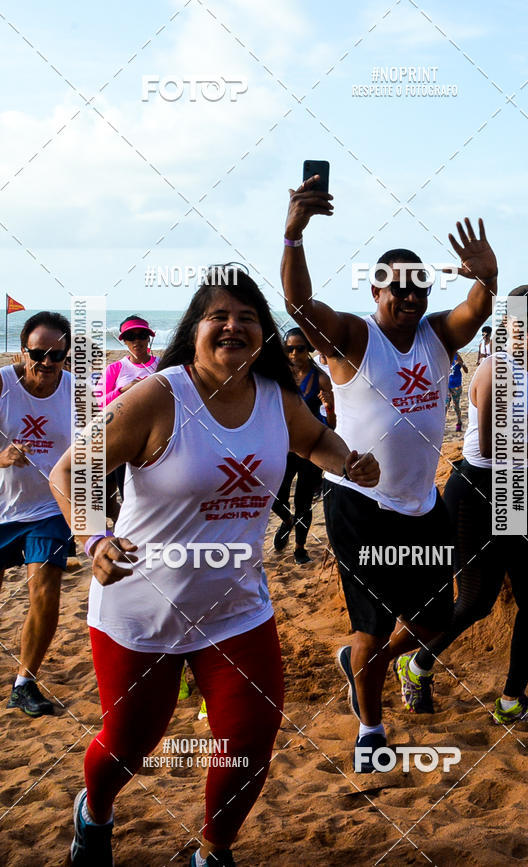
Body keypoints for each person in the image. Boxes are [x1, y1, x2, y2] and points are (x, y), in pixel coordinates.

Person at [50, 271, 378, 867]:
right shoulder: (158, 395)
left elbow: (315, 441)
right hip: (140, 605)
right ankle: (93, 813)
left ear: (263, 334)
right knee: (129, 744)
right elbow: (72, 471)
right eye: (219, 317)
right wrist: (93, 535)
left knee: (249, 741)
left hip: (236, 608)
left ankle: (213, 852)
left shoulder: (276, 397)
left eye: (248, 317)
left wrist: (349, 462)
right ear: (194, 331)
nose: (234, 326)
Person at [281, 174, 498, 772]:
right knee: (373, 627)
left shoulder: (435, 336)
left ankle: (359, 664)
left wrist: (487, 276)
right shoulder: (354, 336)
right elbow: (300, 305)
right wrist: (294, 236)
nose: (411, 298)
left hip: (421, 504)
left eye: (420, 290)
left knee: (432, 619)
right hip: (358, 501)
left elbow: (476, 309)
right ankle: (370, 730)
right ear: (377, 289)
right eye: (399, 289)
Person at [404, 286, 528, 726]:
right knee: (476, 602)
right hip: (478, 488)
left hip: (515, 487)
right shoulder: (496, 370)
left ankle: (511, 701)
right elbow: (493, 444)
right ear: (509, 326)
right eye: (527, 322)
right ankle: (415, 664)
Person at [0, 311, 72, 717]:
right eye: (38, 353)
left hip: (47, 508)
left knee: (44, 591)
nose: (46, 362)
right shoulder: (3, 384)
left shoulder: (75, 393)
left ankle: (25, 683)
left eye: (56, 355)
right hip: (1, 507)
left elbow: (94, 455)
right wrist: (2, 457)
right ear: (22, 351)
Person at [271, 327, 336, 564]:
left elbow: (332, 424)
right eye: (289, 349)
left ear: (308, 349)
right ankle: (287, 521)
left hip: (310, 450)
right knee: (275, 497)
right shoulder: (281, 377)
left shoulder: (320, 379)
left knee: (303, 501)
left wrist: (328, 408)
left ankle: (300, 548)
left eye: (300, 348)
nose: (294, 354)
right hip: (284, 449)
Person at [97, 316, 158, 521]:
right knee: (113, 496)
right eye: (131, 336)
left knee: (149, 496)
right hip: (121, 439)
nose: (137, 340)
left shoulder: (163, 366)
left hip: (156, 439)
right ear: (123, 340)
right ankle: (120, 523)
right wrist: (125, 390)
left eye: (142, 335)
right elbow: (98, 404)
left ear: (149, 338)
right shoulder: (115, 369)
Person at [446, 352, 468, 432]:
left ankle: (459, 423)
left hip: (456, 386)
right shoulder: (445, 355)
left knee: (456, 406)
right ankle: (442, 425)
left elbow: (466, 370)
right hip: (446, 386)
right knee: (446, 405)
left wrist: (461, 364)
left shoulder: (457, 356)